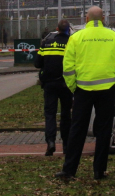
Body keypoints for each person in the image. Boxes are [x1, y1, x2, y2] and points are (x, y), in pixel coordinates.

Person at [55, 7, 115, 181]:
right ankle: (99, 171)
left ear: (86, 19)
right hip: (107, 89)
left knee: (77, 130)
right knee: (104, 131)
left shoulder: (76, 38)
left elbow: (68, 67)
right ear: (103, 18)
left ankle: (69, 170)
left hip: (83, 90)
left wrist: (74, 87)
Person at [34, 19, 73, 156]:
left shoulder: (47, 43)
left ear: (57, 29)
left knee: (50, 114)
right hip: (66, 84)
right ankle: (66, 145)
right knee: (66, 114)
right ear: (69, 30)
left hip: (49, 84)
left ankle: (50, 142)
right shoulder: (71, 43)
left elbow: (37, 63)